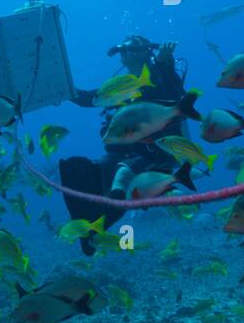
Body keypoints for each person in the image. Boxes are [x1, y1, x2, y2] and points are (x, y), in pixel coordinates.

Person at [59, 35, 189, 255]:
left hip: (159, 155)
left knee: (121, 176)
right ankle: (89, 231)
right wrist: (63, 89)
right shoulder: (122, 86)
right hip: (126, 153)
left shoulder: (161, 75)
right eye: (124, 51)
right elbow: (90, 98)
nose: (127, 55)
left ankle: (98, 228)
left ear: (148, 52)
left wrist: (165, 65)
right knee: (75, 169)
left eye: (133, 50)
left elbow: (178, 97)